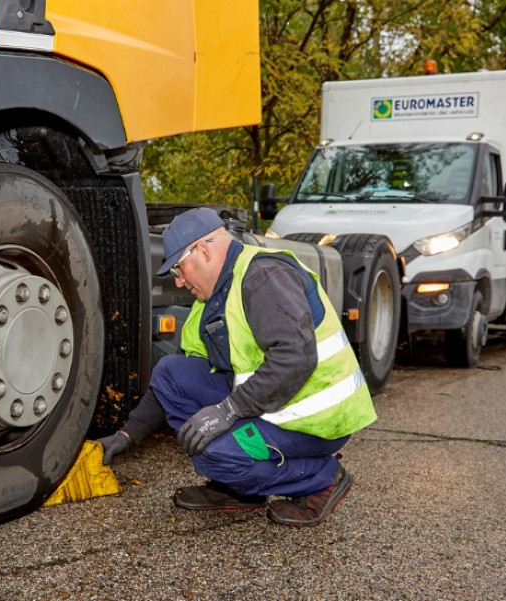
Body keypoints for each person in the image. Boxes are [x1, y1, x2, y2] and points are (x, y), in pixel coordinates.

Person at [97, 207, 377, 526]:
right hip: (272, 405)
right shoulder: (212, 299)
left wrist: (228, 411)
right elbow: (173, 382)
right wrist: (126, 435)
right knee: (171, 371)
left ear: (203, 249)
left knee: (218, 453)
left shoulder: (264, 276)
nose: (180, 280)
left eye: (179, 268)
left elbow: (295, 359)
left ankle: (322, 478)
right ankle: (240, 488)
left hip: (316, 421)